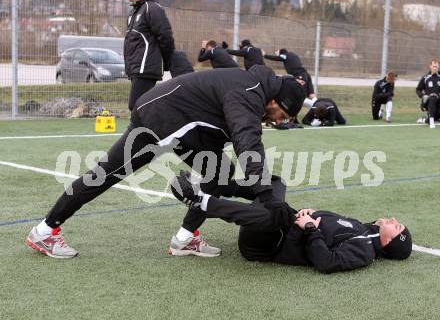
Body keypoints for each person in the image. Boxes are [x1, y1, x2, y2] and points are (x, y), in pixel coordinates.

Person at [25, 65, 306, 259]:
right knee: (104, 175)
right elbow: (247, 140)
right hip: (157, 121)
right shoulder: (248, 92)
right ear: (276, 100)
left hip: (185, 130)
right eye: (283, 115)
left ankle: (185, 239)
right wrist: (268, 197)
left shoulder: (253, 87)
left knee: (220, 172)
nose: (279, 121)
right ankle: (45, 231)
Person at [171, 172, 413, 274]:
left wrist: (309, 228)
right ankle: (209, 187)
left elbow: (326, 262)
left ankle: (200, 199)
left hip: (269, 246)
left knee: (273, 214)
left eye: (397, 226)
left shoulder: (364, 252)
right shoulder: (363, 229)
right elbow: (331, 223)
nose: (393, 220)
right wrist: (314, 212)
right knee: (274, 183)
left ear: (389, 240)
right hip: (284, 225)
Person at [124, 0, 175, 111]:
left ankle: (166, 122)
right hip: (136, 69)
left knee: (136, 105)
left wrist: (167, 62)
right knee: (141, 106)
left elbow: (166, 37)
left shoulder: (152, 8)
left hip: (146, 68)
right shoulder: (133, 12)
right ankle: (165, 122)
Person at [416, 59, 440, 129]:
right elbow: (418, 89)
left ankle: (424, 120)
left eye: (436, 66)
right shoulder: (425, 78)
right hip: (428, 101)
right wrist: (423, 96)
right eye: (433, 66)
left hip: (438, 101)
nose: (435, 68)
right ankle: (432, 122)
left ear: (439, 67)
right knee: (433, 97)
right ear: (430, 66)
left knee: (437, 116)